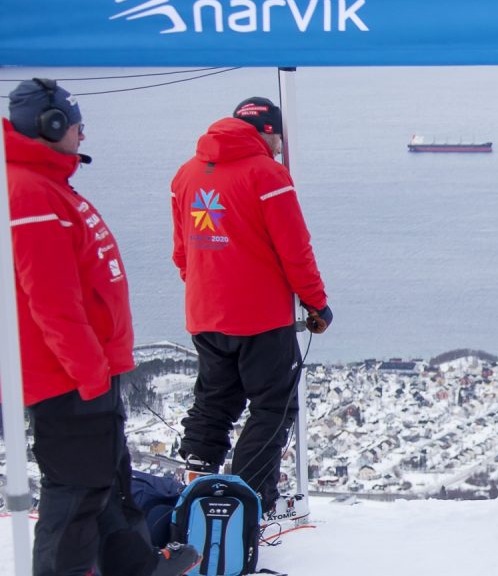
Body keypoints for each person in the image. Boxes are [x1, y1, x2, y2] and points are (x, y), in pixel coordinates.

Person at [4, 78, 199, 576]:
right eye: (76, 124)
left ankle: (132, 564)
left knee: (108, 479)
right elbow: (52, 301)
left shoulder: (47, 185)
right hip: (66, 377)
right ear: (50, 125)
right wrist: (89, 373)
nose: (83, 134)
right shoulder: (29, 192)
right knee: (76, 492)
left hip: (90, 369)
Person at [171, 96, 332, 514]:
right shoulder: (268, 175)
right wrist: (317, 304)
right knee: (273, 406)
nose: (280, 146)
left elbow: (182, 252)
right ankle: (248, 503)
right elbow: (295, 250)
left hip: (205, 312)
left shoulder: (186, 175)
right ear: (267, 131)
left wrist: (208, 289)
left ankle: (194, 494)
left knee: (213, 404)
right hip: (261, 316)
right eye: (279, 137)